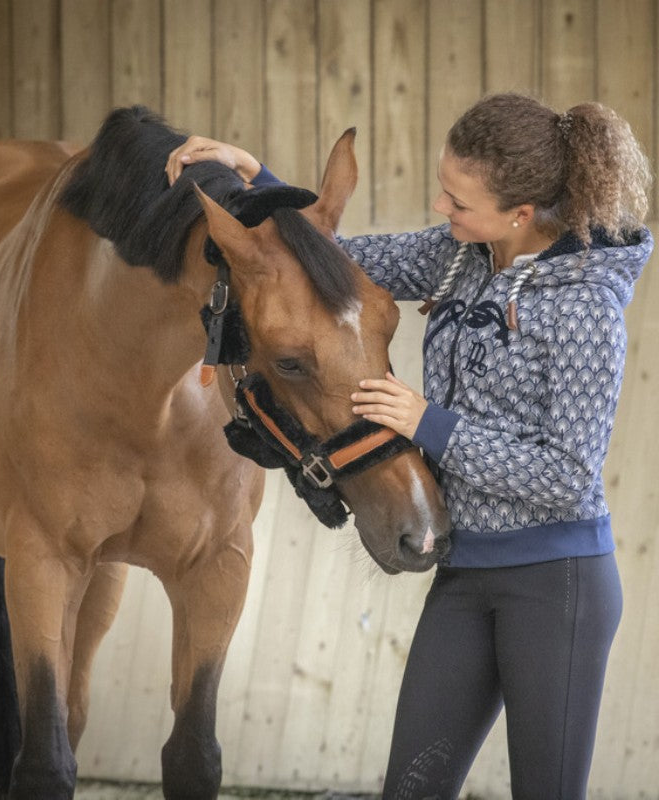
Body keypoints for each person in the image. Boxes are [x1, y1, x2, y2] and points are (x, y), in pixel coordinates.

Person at [165, 93, 653, 799]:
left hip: (556, 584)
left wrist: (429, 424)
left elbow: (566, 475)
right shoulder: (462, 255)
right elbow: (319, 269)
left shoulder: (586, 310)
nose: (439, 207)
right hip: (464, 570)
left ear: (520, 212)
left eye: (457, 200)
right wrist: (255, 178)